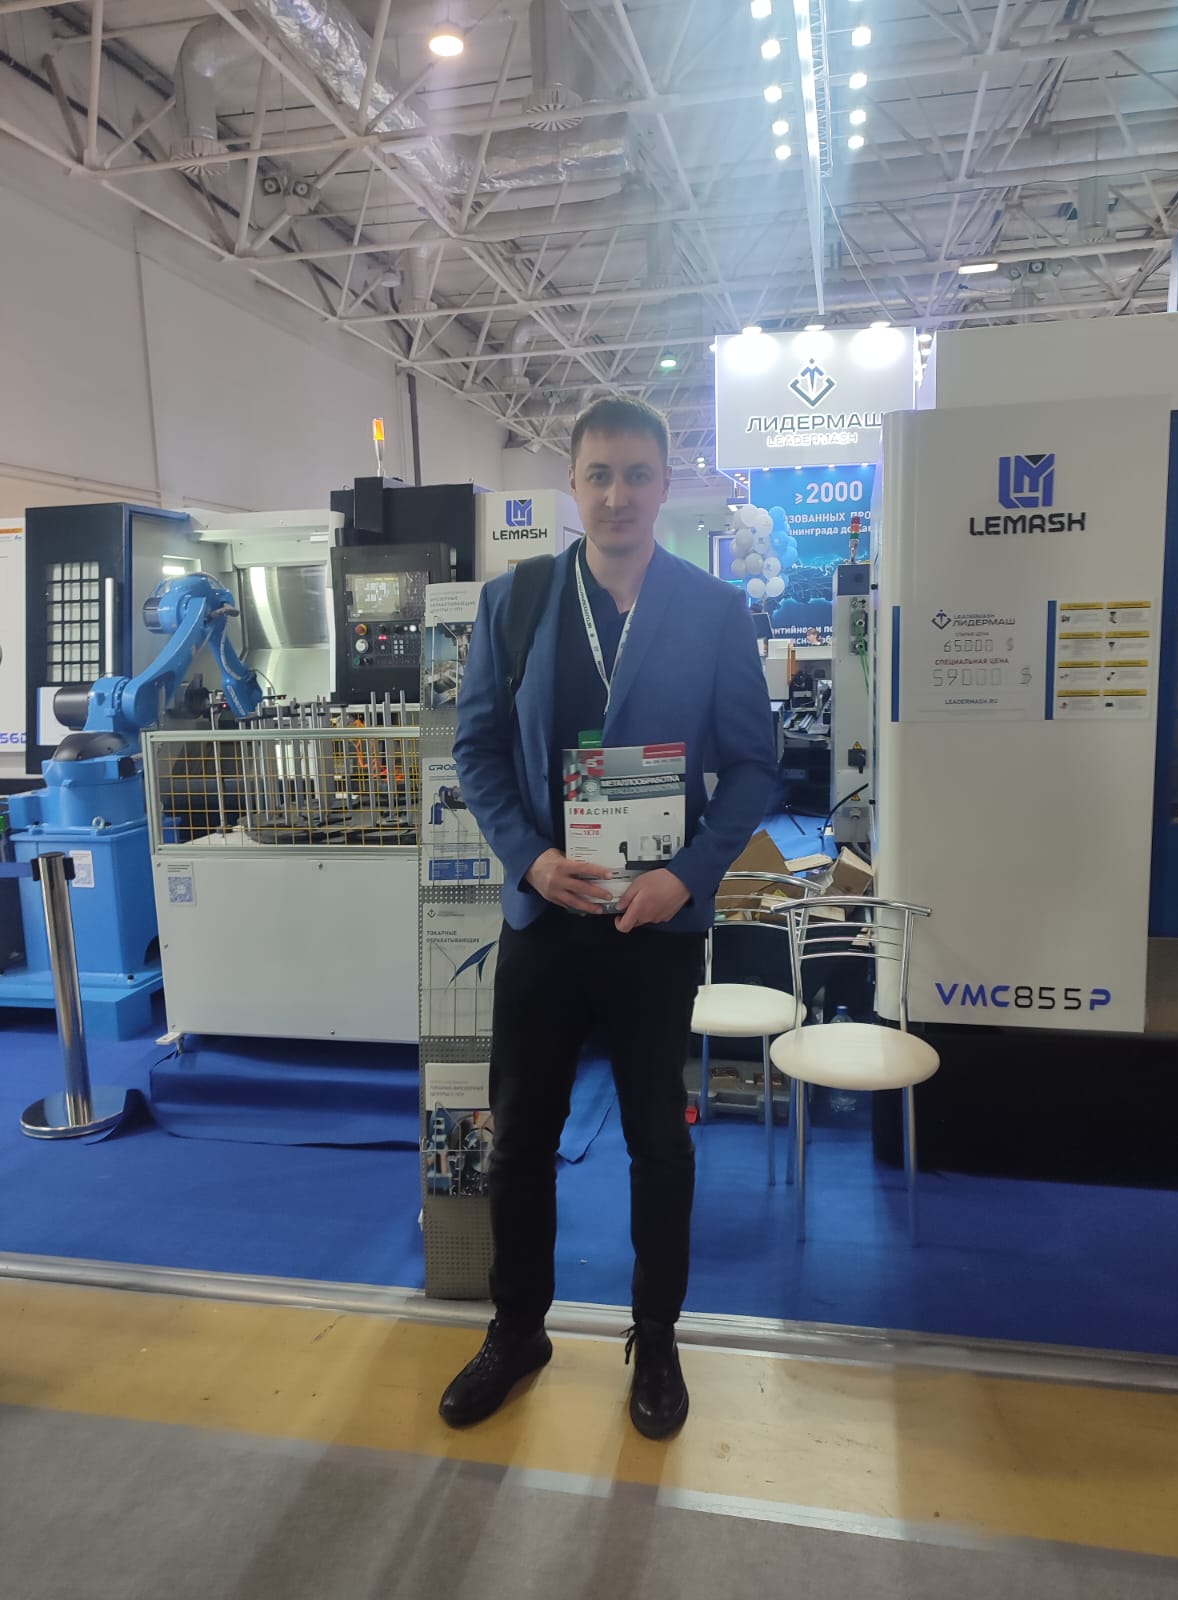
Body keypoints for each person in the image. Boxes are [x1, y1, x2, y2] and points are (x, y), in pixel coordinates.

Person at [440, 396, 778, 1439]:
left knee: (658, 1145)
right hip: (547, 917)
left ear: (665, 484)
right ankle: (517, 1329)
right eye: (599, 474)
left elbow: (755, 766)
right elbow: (476, 751)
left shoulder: (712, 611)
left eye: (637, 474)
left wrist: (691, 876)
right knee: (520, 1139)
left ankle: (657, 1337)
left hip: (651, 924)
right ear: (574, 485)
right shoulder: (518, 601)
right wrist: (531, 857)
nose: (617, 495)